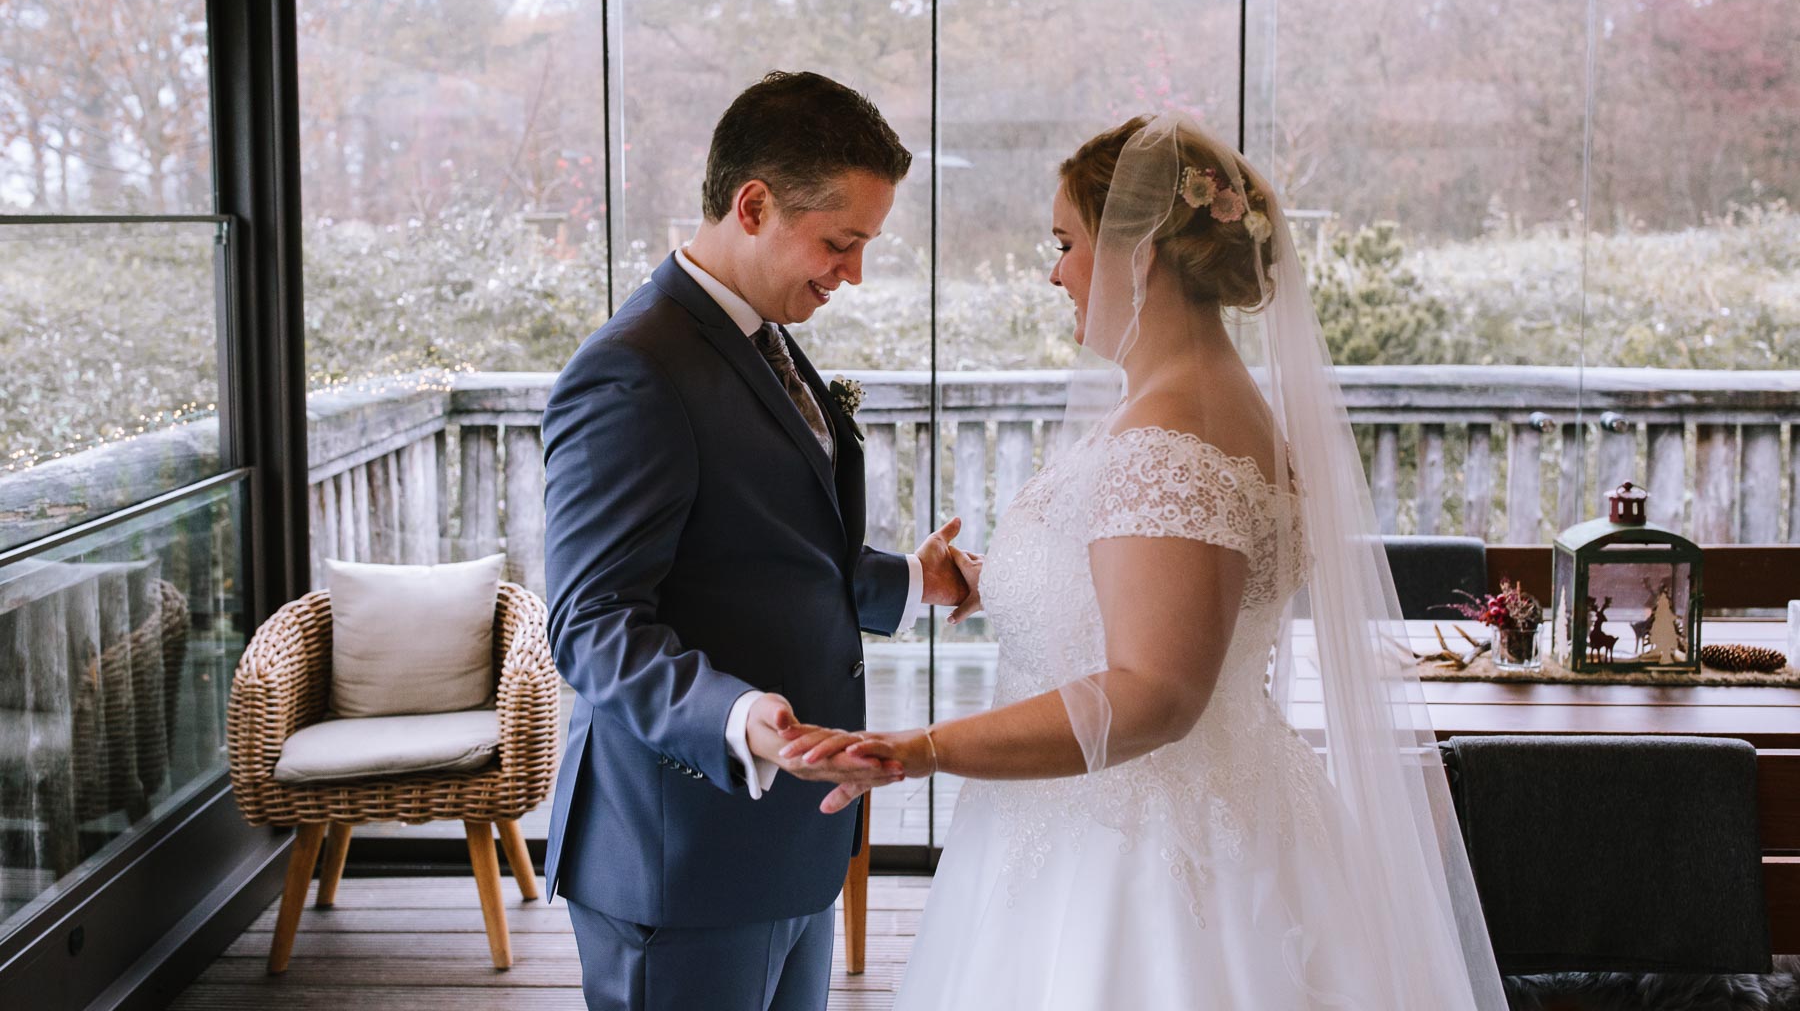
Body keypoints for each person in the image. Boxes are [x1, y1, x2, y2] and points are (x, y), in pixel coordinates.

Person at [782, 114, 1508, 1009]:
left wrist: (923, 747)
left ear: (1141, 252)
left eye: (1066, 244)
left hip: (1140, 868)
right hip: (1173, 824)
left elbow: (1155, 692)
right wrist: (1000, 578)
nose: (1055, 273)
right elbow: (1156, 593)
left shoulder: (1171, 439)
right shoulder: (1206, 407)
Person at [541, 70, 969, 1011]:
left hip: (789, 841)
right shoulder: (631, 372)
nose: (852, 273)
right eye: (840, 243)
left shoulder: (760, 334)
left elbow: (765, 553)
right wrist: (736, 718)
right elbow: (590, 623)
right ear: (753, 206)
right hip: (681, 854)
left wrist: (914, 581)